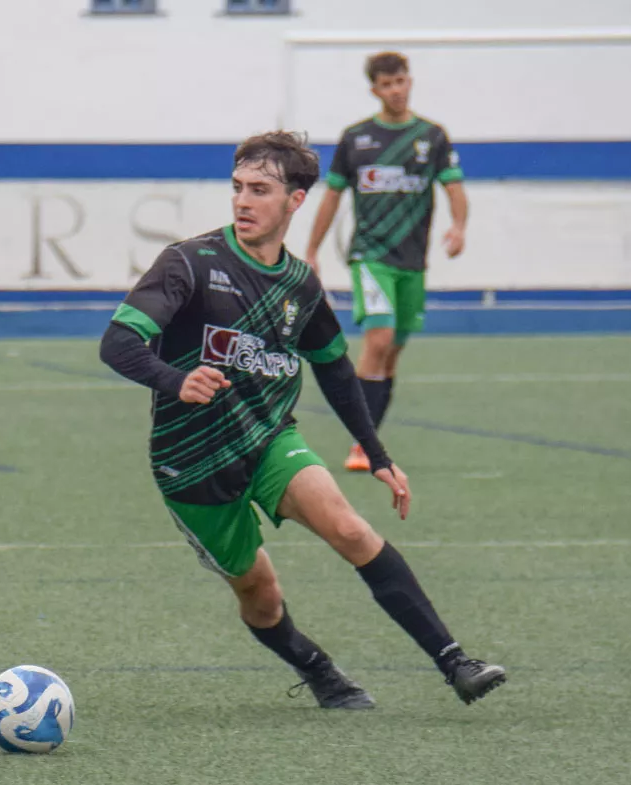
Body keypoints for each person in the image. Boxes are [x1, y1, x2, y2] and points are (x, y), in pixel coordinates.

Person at [99, 130, 504, 708]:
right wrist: (174, 379)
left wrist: (377, 453)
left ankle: (456, 663)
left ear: (295, 201)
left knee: (349, 528)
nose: (243, 201)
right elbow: (117, 343)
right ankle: (318, 670)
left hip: (269, 441)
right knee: (260, 593)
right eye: (238, 187)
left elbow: (337, 372)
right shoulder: (190, 263)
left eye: (260, 190)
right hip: (191, 466)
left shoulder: (300, 285)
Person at [304, 51, 467, 472]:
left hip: (412, 262)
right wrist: (311, 250)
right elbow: (332, 197)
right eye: (387, 84)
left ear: (409, 82)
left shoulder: (432, 137)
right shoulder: (356, 138)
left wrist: (459, 226)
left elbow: (453, 188)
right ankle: (363, 444)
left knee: (392, 350)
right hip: (369, 256)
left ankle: (369, 436)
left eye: (401, 81)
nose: (396, 90)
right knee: (378, 339)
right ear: (374, 89)